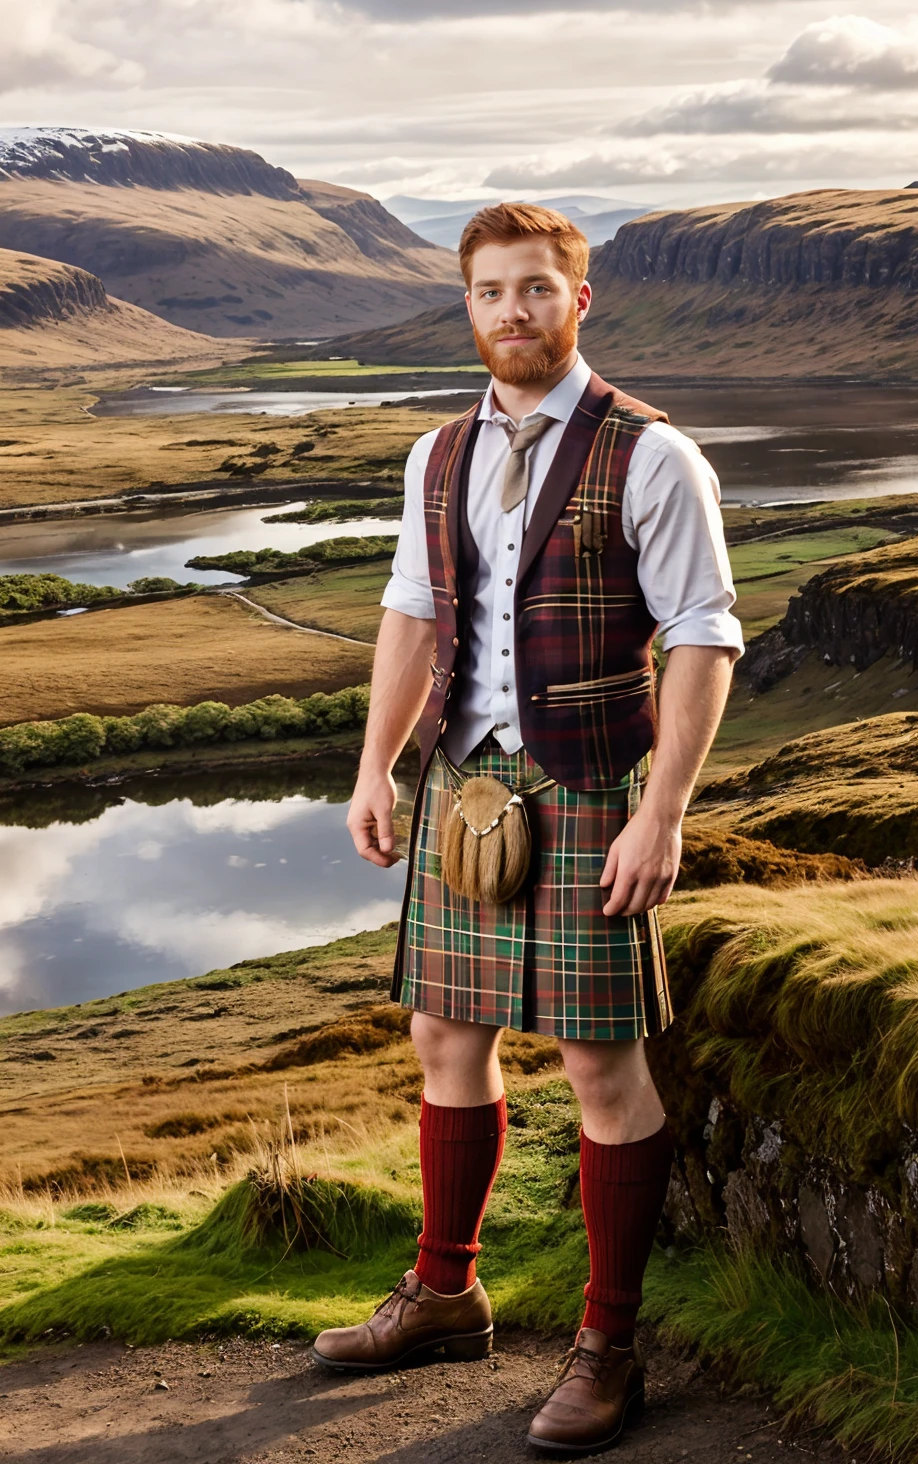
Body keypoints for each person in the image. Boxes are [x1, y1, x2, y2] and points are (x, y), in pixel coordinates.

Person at [313, 203, 743, 1454]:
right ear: (468, 306)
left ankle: (609, 1346)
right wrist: (375, 768)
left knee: (601, 1066)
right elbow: (409, 613)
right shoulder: (437, 453)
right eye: (490, 291)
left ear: (578, 301)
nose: (512, 310)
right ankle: (445, 1292)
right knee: (443, 1030)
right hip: (462, 780)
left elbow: (706, 632)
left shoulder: (653, 454)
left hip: (596, 786)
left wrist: (661, 812)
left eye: (536, 290)